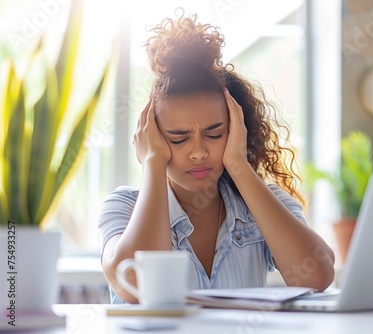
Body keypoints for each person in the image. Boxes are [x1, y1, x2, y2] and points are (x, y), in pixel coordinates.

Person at [98, 11, 335, 304]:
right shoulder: (123, 207)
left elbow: (317, 276)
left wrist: (238, 164)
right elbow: (135, 286)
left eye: (214, 134)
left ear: (234, 131)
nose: (198, 152)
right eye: (178, 138)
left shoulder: (263, 203)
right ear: (152, 138)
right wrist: (153, 164)